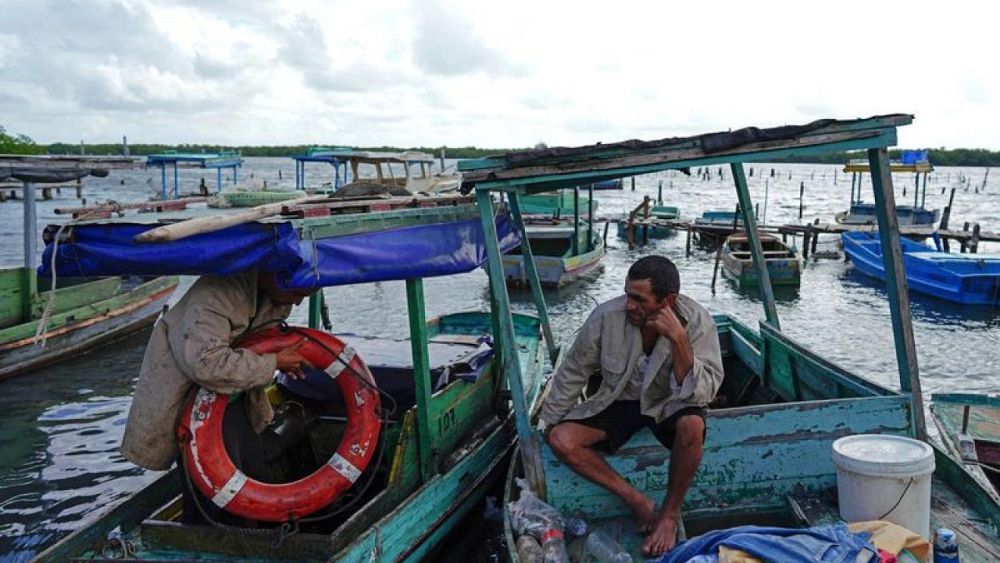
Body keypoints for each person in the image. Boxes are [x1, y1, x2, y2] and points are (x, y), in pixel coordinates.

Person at [540, 255, 724, 557]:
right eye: (627, 294)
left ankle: (668, 515)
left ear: (668, 300)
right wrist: (549, 423)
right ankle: (638, 500)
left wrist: (678, 339)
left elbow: (703, 393)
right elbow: (574, 371)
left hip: (670, 402)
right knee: (561, 439)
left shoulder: (697, 321)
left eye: (638, 299)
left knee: (693, 424)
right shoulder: (605, 317)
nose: (629, 305)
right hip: (620, 399)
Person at [121, 271, 314, 521]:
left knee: (254, 471)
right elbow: (206, 364)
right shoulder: (215, 297)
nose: (297, 303)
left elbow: (260, 343)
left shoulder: (275, 297)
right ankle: (211, 539)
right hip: (193, 410)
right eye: (298, 293)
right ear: (275, 275)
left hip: (237, 400)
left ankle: (253, 531)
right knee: (215, 494)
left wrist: (277, 358)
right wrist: (274, 362)